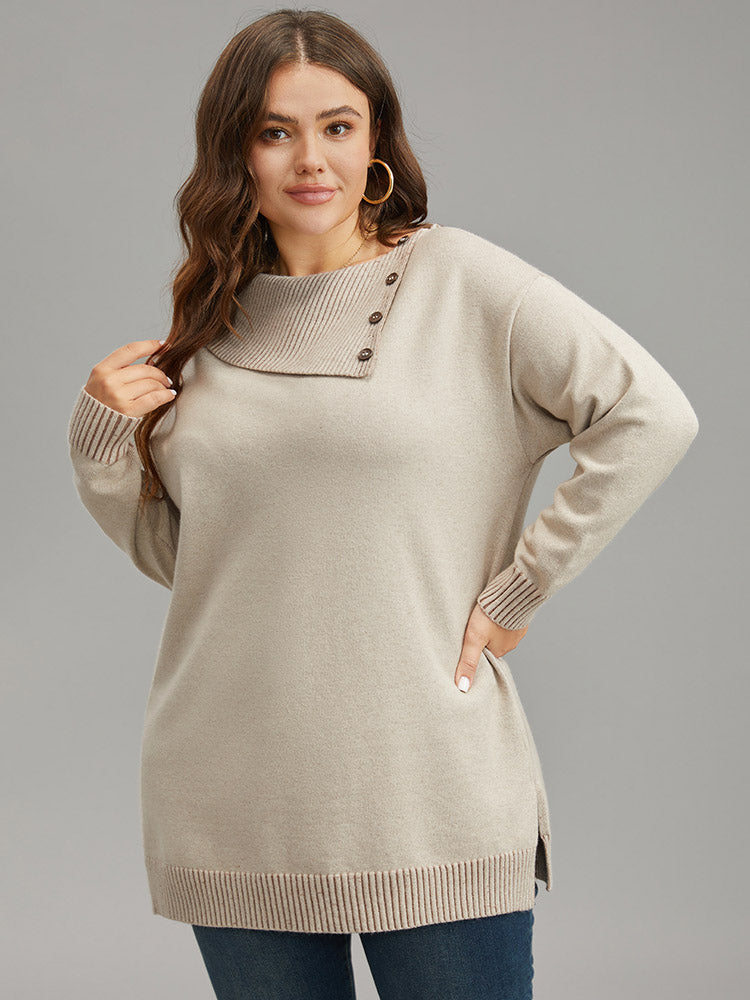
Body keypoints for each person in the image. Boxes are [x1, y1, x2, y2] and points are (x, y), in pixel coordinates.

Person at [65, 9, 699, 999]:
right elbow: (193, 567)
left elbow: (650, 413)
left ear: (376, 144)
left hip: (427, 791)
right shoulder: (210, 320)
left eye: (337, 126)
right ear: (235, 153)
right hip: (230, 792)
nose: (310, 159)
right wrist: (103, 437)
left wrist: (522, 587)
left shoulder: (463, 283)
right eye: (275, 132)